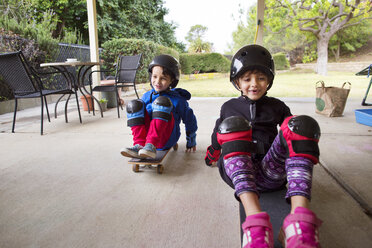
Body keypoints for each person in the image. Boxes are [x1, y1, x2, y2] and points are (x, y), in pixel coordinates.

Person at [205, 45, 322, 248]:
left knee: (300, 126)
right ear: (237, 82)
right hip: (238, 173)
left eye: (261, 78)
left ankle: (299, 222)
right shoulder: (229, 107)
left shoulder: (277, 106)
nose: (254, 84)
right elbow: (217, 138)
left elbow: (293, 138)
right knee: (233, 126)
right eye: (247, 79)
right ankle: (256, 223)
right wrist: (211, 155)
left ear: (269, 81)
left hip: (271, 172)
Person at [121, 54, 197, 159]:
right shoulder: (147, 96)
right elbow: (140, 118)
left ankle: (151, 145)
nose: (157, 82)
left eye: (163, 78)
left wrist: (191, 140)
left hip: (166, 138)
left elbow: (190, 119)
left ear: (172, 81)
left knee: (162, 103)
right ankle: (139, 145)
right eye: (155, 76)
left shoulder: (177, 99)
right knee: (135, 105)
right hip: (146, 138)